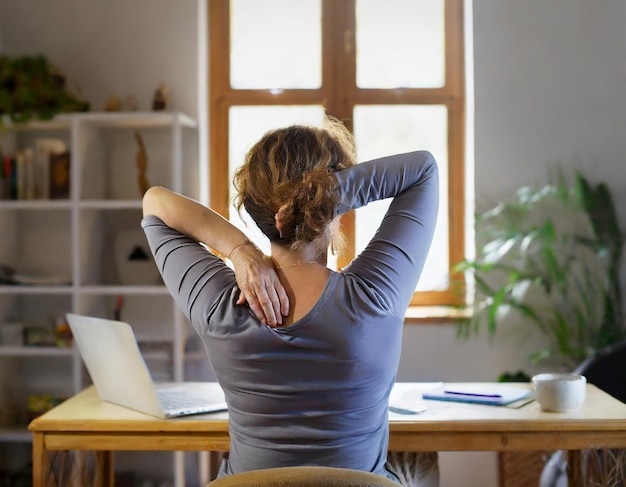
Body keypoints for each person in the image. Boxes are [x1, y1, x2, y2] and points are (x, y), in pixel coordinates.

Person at [141, 116, 439, 485]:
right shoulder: (375, 294)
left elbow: (154, 204)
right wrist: (323, 196)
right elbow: (423, 169)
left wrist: (238, 249)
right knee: (420, 463)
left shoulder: (217, 301)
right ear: (336, 205)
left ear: (252, 204)